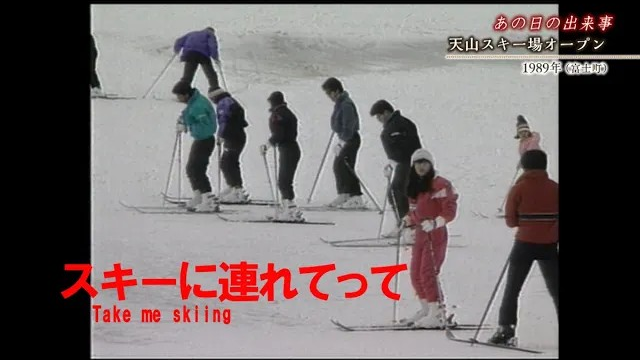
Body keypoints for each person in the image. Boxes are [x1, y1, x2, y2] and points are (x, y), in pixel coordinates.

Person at [488, 149, 558, 345]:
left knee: (513, 288)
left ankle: (506, 329)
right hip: (549, 244)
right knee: (556, 289)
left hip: (525, 243)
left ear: (525, 165)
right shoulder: (555, 188)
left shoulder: (518, 188)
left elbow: (511, 221)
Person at [400, 148, 459, 328]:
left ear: (431, 165)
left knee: (428, 272)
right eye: (418, 163)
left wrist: (437, 222)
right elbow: (415, 209)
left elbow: (449, 209)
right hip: (420, 233)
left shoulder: (440, 184)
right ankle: (426, 308)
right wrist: (409, 219)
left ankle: (437, 311)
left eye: (425, 163)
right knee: (415, 273)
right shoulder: (415, 186)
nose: (421, 167)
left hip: (435, 233)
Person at [369, 100, 423, 237]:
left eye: (379, 116)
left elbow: (405, 147)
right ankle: (404, 224)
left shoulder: (398, 125)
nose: (379, 119)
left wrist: (395, 160)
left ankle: (409, 226)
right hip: (403, 163)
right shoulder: (395, 124)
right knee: (396, 194)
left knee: (398, 193)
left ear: (387, 112)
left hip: (408, 164)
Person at [172, 81, 218, 212]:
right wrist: (182, 121)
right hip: (200, 139)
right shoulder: (194, 102)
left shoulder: (199, 105)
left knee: (197, 169)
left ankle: (208, 199)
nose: (178, 99)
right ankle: (199, 196)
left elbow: (204, 124)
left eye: (179, 96)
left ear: (185, 95)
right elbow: (188, 114)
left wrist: (187, 125)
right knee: (191, 168)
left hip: (205, 139)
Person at [260, 91, 304, 222]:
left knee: (284, 181)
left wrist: (268, 145)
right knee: (285, 180)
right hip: (292, 148)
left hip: (287, 149)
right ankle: (286, 207)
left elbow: (279, 134)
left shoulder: (277, 115)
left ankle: (290, 209)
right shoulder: (288, 112)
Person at [321, 77, 364, 209]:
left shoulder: (346, 104)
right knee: (341, 166)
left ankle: (354, 196)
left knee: (343, 165)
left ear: (336, 91)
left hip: (350, 138)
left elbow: (349, 126)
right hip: (345, 138)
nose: (329, 96)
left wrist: (342, 142)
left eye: (329, 93)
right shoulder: (340, 103)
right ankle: (346, 194)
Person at [208, 88, 250, 203]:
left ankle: (237, 189)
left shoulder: (224, 103)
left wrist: (221, 135)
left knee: (227, 162)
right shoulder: (231, 101)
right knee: (230, 161)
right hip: (238, 135)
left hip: (233, 136)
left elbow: (224, 120)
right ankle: (234, 187)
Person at [173, 27, 221, 95]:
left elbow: (179, 41)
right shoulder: (210, 34)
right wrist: (215, 57)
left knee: (188, 76)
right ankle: (215, 89)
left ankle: (181, 91)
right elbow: (212, 45)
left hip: (189, 54)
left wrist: (177, 49)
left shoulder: (192, 33)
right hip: (202, 55)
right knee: (210, 74)